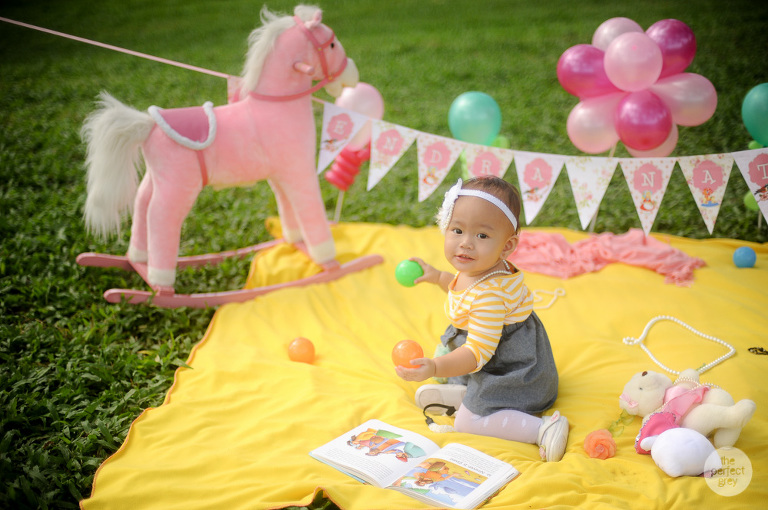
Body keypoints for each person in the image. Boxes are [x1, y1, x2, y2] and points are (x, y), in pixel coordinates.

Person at [395, 176, 569, 461]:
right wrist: (438, 277)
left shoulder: (490, 297)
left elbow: (477, 353)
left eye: (482, 236)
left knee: (466, 424)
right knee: (460, 359)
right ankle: (466, 394)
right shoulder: (481, 267)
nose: (465, 244)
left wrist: (436, 366)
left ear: (507, 246)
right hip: (491, 352)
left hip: (512, 371)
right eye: (458, 229)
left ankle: (543, 429)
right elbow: (464, 287)